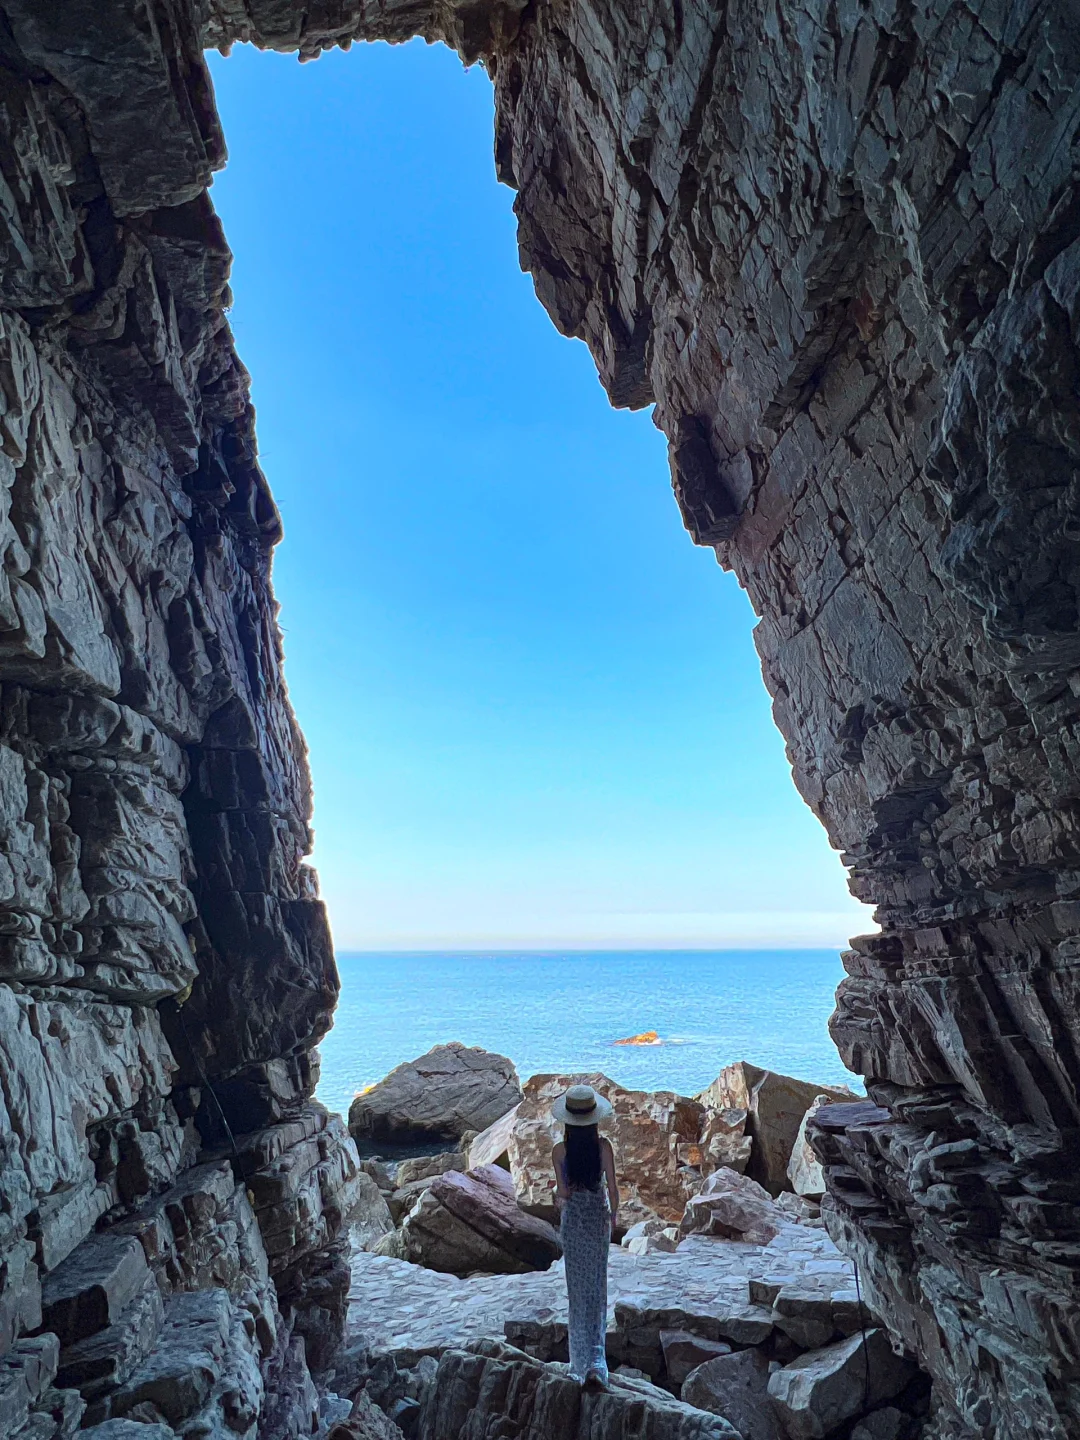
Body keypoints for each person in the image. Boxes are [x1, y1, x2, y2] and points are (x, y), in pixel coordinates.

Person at [550, 1083, 620, 1388]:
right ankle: (597, 1363)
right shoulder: (603, 1147)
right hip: (597, 1220)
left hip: (574, 1220)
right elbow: (613, 1191)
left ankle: (577, 1365)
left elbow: (563, 1193)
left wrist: (557, 1197)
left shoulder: (559, 1151)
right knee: (596, 1290)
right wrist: (613, 1217)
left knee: (576, 1293)